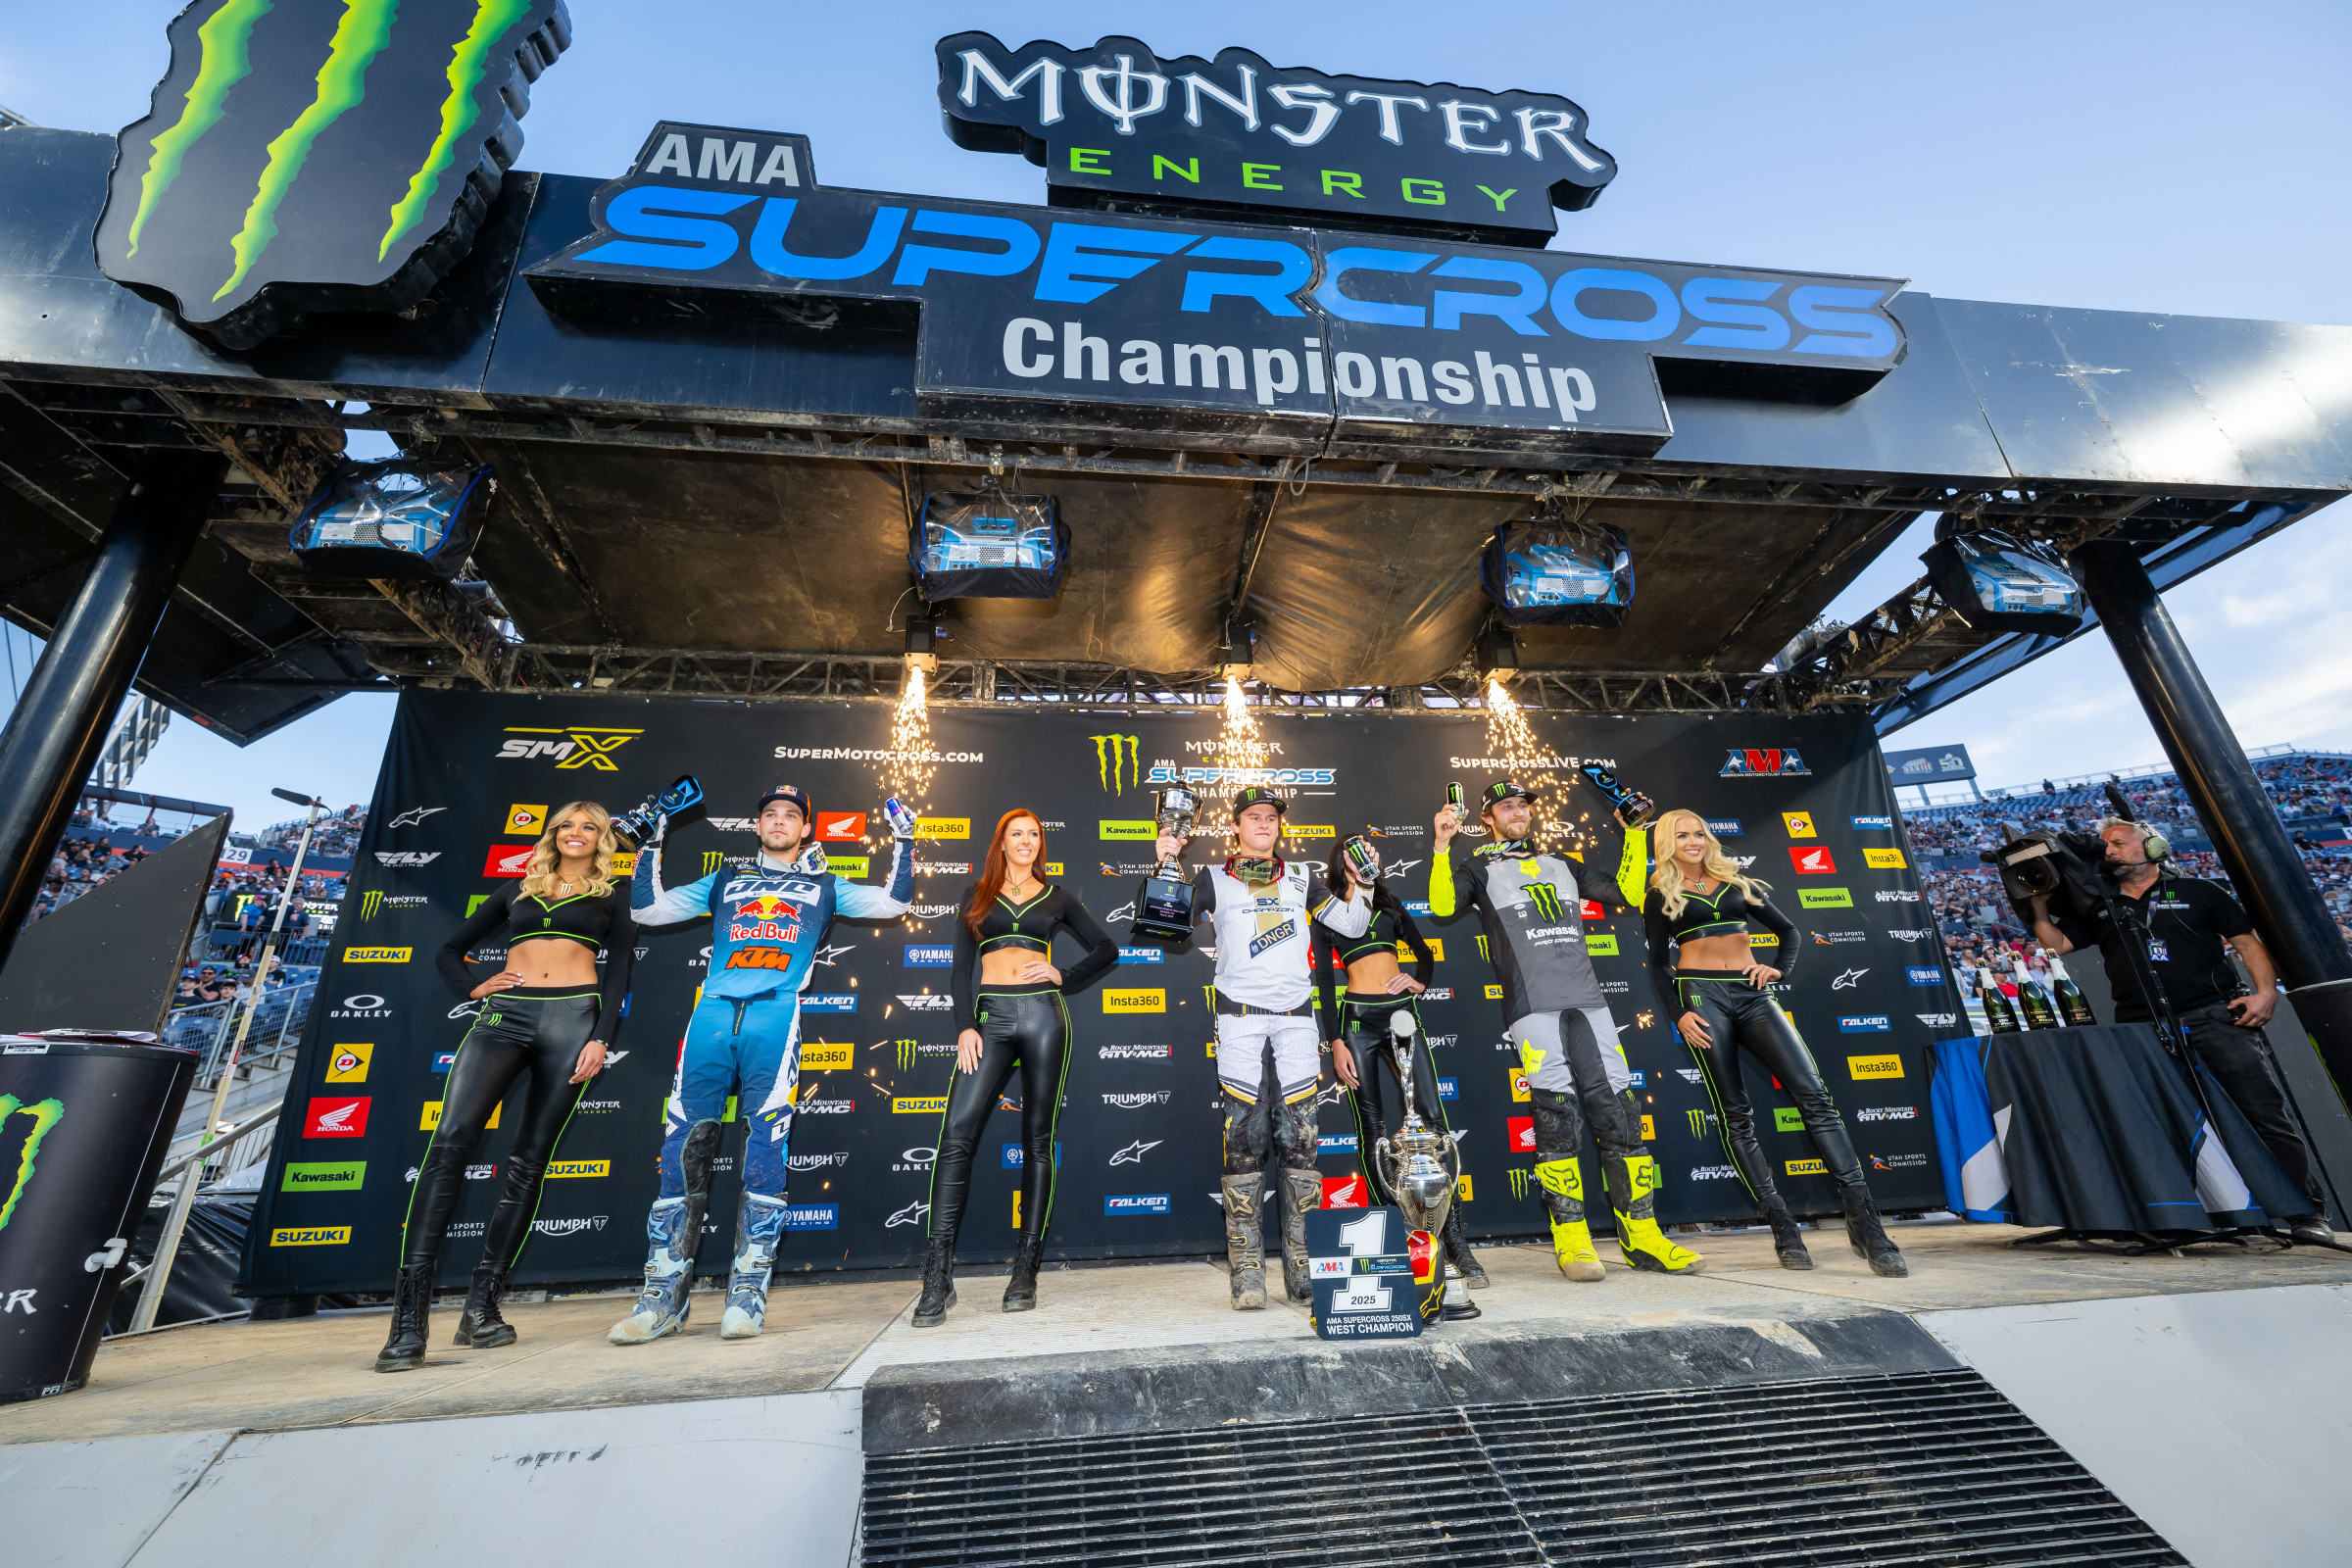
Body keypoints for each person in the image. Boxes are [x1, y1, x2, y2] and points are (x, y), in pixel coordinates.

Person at [612, 784, 914, 1345]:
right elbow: (649, 911)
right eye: (769, 813)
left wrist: (905, 842)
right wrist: (652, 842)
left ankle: (747, 1293)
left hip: (776, 1016)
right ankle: (662, 1297)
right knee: (682, 1145)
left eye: (791, 815)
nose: (779, 820)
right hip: (710, 1013)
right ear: (757, 826)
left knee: (766, 1145)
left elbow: (893, 905)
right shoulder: (725, 878)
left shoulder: (824, 884)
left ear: (805, 831)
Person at [377, 803, 631, 1372]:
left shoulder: (614, 894)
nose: (575, 833)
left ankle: (481, 1310)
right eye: (567, 824)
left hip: (574, 1024)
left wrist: (601, 1039)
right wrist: (473, 987)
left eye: (588, 826)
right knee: (448, 1144)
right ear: (553, 834)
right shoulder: (517, 887)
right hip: (504, 1016)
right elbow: (448, 950)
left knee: (528, 1161)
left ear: (601, 840)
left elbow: (619, 974)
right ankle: (408, 1323)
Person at [1432, 779, 1703, 1280]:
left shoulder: (1562, 862)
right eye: (1505, 806)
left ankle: (1643, 1236)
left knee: (1618, 1109)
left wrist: (1635, 834)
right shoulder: (1477, 868)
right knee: (1555, 1113)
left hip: (1590, 1002)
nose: (1517, 812)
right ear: (1487, 817)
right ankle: (1572, 1240)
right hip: (1532, 1006)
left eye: (1522, 805)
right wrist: (1443, 844)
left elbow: (1623, 890)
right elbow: (1444, 907)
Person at [2030, 818, 2335, 1246]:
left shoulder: (2200, 892)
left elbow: (2246, 943)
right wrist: (2039, 905)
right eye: (2106, 847)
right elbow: (2054, 947)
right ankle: (2208, 1211)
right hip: (2140, 1029)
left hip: (2213, 1016)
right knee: (2169, 1121)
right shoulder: (2101, 907)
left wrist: (2266, 993)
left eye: (2119, 843)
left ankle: (2306, 1211)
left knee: (2262, 1114)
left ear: (2154, 847)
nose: (2110, 852)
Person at [1643, 809, 1906, 1277]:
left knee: (1815, 1096)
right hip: (1700, 997)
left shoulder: (1739, 885)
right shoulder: (1659, 895)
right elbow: (1658, 964)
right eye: (1682, 835)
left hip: (1754, 994)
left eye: (1699, 833)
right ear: (1667, 842)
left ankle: (1866, 1223)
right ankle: (1782, 1225)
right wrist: (1679, 1012)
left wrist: (1778, 968)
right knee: (1735, 1112)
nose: (1693, 841)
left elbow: (1789, 932)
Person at [1155, 786, 1374, 1309]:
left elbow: (1352, 925)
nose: (1264, 824)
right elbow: (1170, 929)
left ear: (1280, 826)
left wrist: (1363, 884)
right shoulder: (1211, 877)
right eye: (1253, 817)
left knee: (1302, 1140)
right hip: (1240, 1019)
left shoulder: (1300, 876)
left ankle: (1302, 1264)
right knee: (1244, 1138)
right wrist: (1167, 866)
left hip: (1298, 1019)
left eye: (1271, 818)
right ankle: (1247, 1268)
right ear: (1235, 826)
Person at [915, 809, 1119, 1325]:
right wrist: (966, 1025)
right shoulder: (977, 895)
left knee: (1036, 1139)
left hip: (1046, 1018)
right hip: (990, 1020)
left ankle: (1024, 1272)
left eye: (1033, 835)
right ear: (1001, 844)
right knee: (957, 1132)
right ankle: (937, 1276)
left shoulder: (1058, 897)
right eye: (1016, 835)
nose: (1025, 841)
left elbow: (1107, 947)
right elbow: (961, 968)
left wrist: (1062, 973)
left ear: (1039, 844)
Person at [1318, 836, 1486, 1290]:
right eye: (1357, 852)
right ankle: (1399, 1234)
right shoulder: (1327, 906)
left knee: (1433, 1119)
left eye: (1371, 853)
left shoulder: (1389, 901)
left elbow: (1426, 954)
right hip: (1355, 1020)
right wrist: (1334, 1041)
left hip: (1400, 1018)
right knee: (1372, 1128)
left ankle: (1454, 1240)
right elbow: (1323, 980)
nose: (1366, 857)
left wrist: (1418, 982)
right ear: (1342, 861)